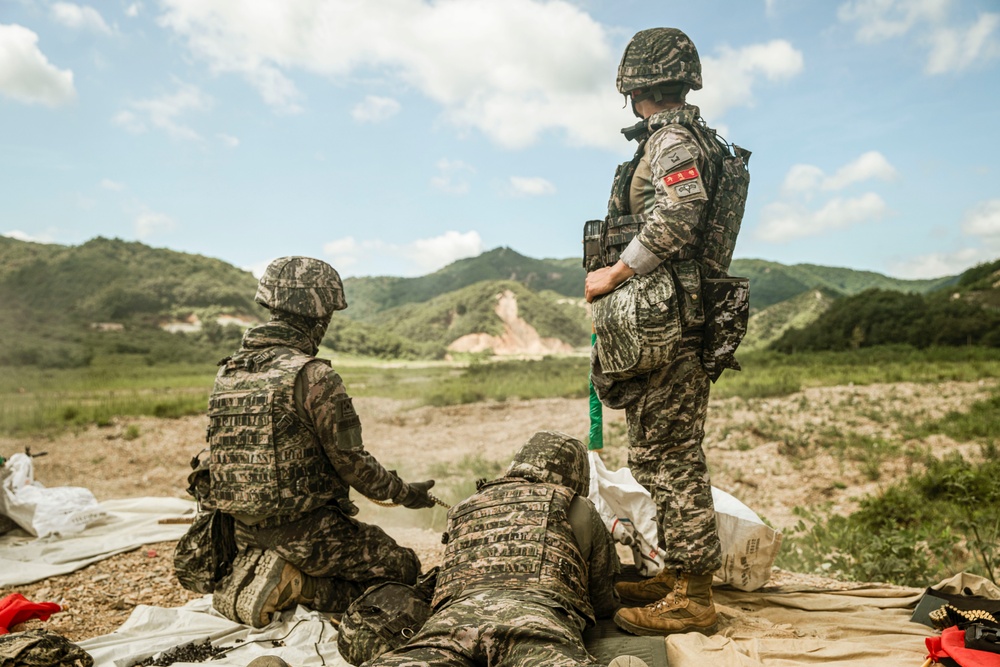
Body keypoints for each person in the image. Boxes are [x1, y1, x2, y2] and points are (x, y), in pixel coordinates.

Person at [584, 28, 750, 636]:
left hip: (670, 321)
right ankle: (680, 573)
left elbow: (679, 215)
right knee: (661, 453)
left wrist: (615, 273)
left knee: (670, 455)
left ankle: (694, 594)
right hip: (672, 317)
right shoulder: (685, 137)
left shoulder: (674, 140)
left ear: (634, 86)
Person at [205, 256, 436, 628]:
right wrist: (408, 494)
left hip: (241, 530)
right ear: (320, 313)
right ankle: (300, 586)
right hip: (306, 530)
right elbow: (354, 466)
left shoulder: (229, 371)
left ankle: (271, 569)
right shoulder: (313, 376)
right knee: (403, 568)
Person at [365, 431, 632, 667]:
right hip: (534, 622)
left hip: (453, 621)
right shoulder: (578, 507)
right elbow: (602, 598)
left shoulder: (465, 505)